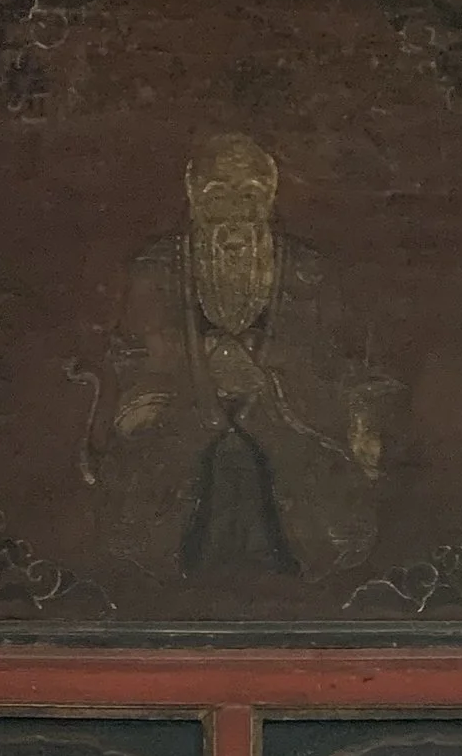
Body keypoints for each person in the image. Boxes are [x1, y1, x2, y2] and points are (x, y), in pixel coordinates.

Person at [90, 131, 390, 587]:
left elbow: (339, 364)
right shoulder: (155, 268)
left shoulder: (311, 271)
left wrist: (267, 380)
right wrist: (198, 368)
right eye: (218, 196)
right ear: (193, 197)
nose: (234, 213)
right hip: (181, 428)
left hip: (288, 430)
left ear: (269, 198)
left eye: (248, 196)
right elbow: (134, 359)